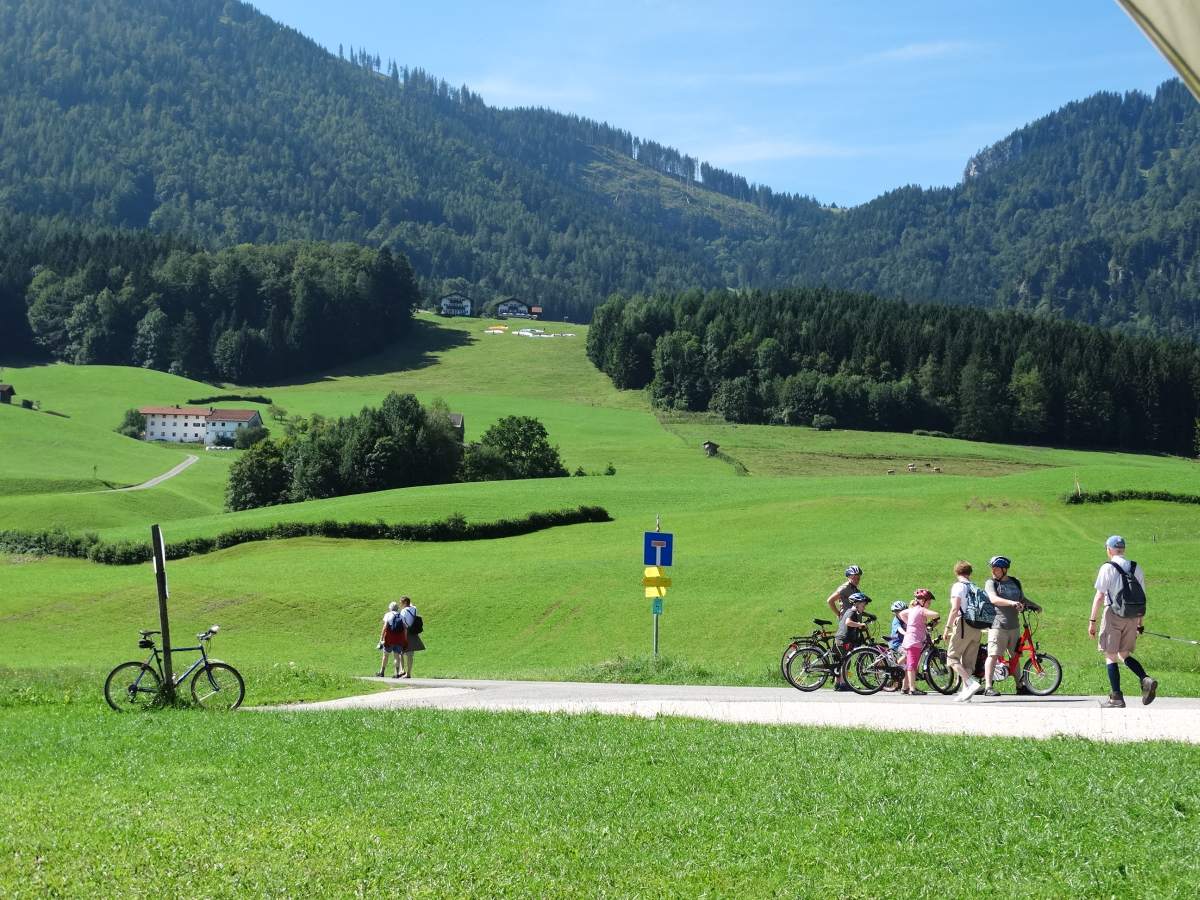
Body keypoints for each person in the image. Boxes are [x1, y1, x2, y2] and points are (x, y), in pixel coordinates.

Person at [1089, 535, 1157, 708]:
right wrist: (1140, 623)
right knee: (1124, 654)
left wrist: (1092, 621)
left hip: (1113, 614)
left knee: (1110, 656)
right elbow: (1142, 599)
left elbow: (1099, 596)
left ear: (1109, 550)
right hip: (1133, 616)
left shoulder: (1107, 567)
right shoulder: (1136, 567)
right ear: (1123, 549)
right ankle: (1145, 678)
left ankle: (1116, 698)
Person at [982, 555, 1041, 696]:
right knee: (993, 655)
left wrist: (1035, 605)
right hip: (998, 625)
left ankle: (1020, 686)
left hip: (1014, 626)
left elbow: (1022, 599)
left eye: (996, 568)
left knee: (1015, 656)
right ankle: (988, 687)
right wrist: (1012, 603)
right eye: (992, 568)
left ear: (1004, 569)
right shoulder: (991, 583)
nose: (993, 571)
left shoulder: (1015, 582)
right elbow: (993, 599)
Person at [942, 561, 984, 702]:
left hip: (963, 624)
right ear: (969, 572)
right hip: (977, 625)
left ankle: (971, 683)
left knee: (952, 657)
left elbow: (955, 608)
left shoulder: (958, 586)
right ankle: (966, 692)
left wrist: (947, 627)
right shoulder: (975, 587)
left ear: (956, 572)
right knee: (968, 663)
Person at [898, 589, 939, 696]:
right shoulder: (921, 610)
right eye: (928, 602)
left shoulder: (912, 609)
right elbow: (936, 614)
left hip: (909, 639)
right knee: (912, 665)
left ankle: (904, 687)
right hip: (914, 641)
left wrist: (910, 623)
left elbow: (902, 613)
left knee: (909, 664)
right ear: (922, 601)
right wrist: (934, 620)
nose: (929, 604)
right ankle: (912, 689)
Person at [834, 592, 872, 690]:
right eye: (863, 605)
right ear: (856, 604)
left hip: (839, 639)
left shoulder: (849, 611)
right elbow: (848, 622)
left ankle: (837, 683)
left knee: (840, 662)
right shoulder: (852, 612)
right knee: (846, 662)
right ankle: (843, 684)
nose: (864, 607)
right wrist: (860, 624)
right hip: (844, 640)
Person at [396, 595, 425, 678]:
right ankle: (408, 673)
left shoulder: (403, 611)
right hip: (413, 632)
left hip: (405, 632)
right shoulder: (414, 609)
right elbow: (412, 605)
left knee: (401, 652)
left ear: (405, 602)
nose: (400, 604)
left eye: (401, 602)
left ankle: (402, 670)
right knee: (410, 655)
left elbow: (403, 624)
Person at [377, 601, 407, 678]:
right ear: (397, 608)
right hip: (399, 639)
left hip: (389, 639)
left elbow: (385, 627)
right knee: (396, 656)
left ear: (390, 608)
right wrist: (405, 639)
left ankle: (382, 672)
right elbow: (405, 628)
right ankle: (396, 673)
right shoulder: (401, 616)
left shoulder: (388, 615)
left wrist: (381, 638)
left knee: (385, 655)